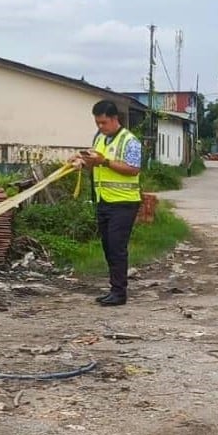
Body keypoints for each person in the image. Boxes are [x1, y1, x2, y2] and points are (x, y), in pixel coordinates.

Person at [76, 100, 142, 307]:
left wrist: (104, 162)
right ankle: (114, 289)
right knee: (107, 246)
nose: (100, 127)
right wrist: (81, 161)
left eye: (103, 123)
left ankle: (119, 292)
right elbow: (94, 162)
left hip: (124, 202)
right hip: (104, 200)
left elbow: (133, 169)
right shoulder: (100, 139)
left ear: (115, 119)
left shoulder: (130, 141)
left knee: (117, 247)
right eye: (97, 123)